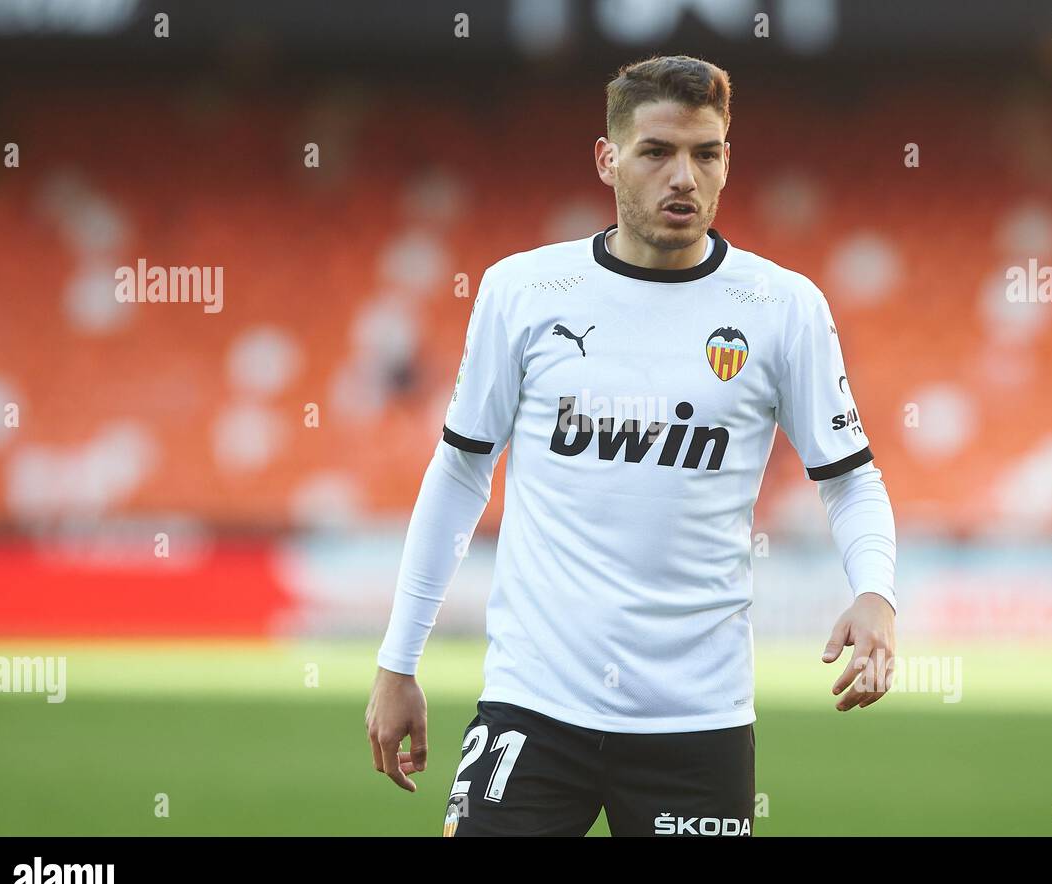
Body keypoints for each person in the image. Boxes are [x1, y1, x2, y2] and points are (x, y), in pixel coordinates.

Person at [366, 54, 898, 836]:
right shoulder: (523, 291)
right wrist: (398, 659)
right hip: (534, 705)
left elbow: (850, 478)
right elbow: (461, 470)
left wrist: (876, 592)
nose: (683, 176)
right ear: (608, 158)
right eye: (656, 151)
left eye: (705, 153)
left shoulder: (782, 308)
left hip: (697, 721)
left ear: (726, 161)